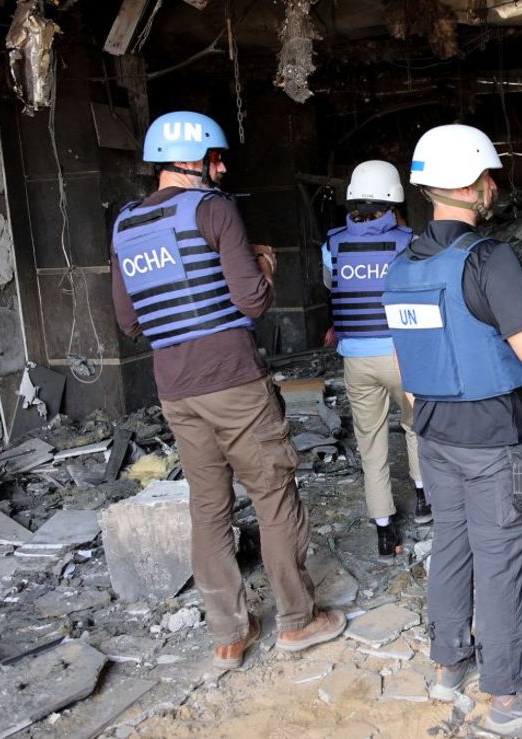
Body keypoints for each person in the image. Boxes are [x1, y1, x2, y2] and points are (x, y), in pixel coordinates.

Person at [110, 111, 346, 670]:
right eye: (216, 157)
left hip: (175, 389)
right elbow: (253, 303)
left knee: (208, 507)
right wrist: (262, 264)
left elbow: (128, 322)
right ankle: (298, 620)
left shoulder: (123, 225)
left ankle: (227, 635)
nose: (223, 166)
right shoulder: (213, 209)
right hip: (234, 382)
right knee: (272, 493)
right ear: (191, 161)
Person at [382, 124, 522, 736]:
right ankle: (508, 694)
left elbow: (409, 368)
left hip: (433, 435)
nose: (494, 187)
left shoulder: (402, 265)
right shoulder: (487, 256)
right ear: (477, 185)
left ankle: (449, 662)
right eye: (490, 178)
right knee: (500, 559)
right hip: (488, 438)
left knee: (452, 545)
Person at [322, 160, 430, 557]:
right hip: (403, 355)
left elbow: (330, 286)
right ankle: (423, 499)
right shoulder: (409, 241)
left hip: (357, 359)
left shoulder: (332, 243)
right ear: (393, 200)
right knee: (418, 426)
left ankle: (384, 528)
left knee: (371, 443)